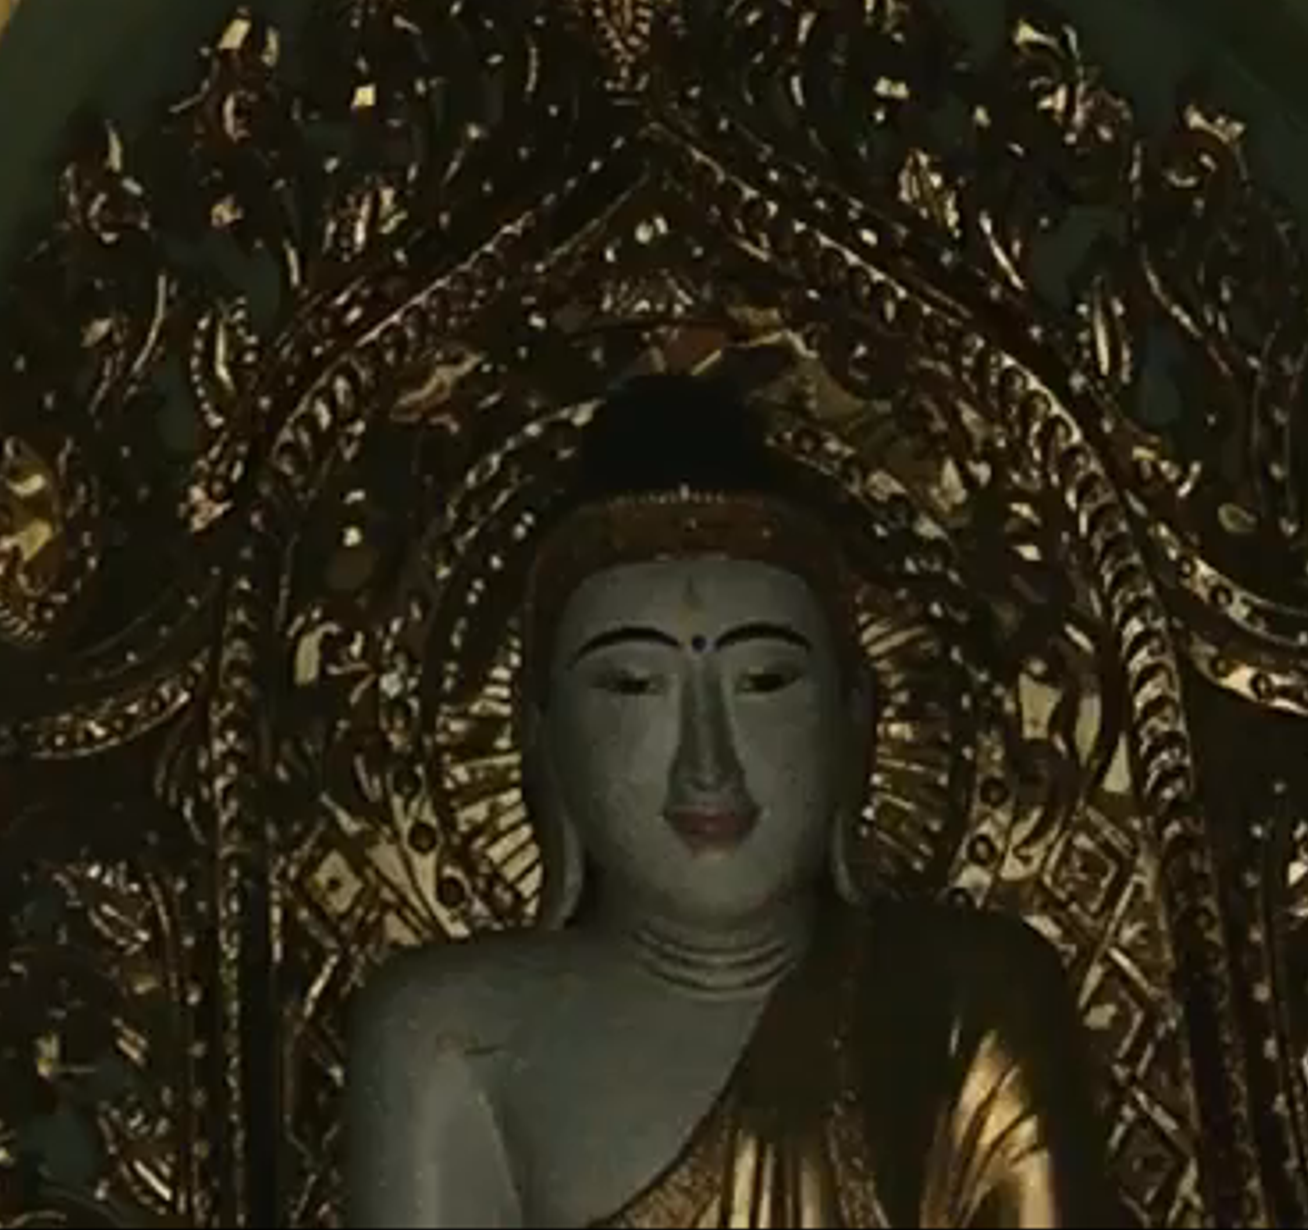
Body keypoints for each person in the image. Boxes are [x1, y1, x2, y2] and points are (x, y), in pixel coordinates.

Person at [332, 373, 1116, 1225]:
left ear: (857, 721)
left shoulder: (969, 1000)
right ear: (542, 741)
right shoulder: (447, 1033)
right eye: (633, 684)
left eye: (766, 679)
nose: (708, 764)